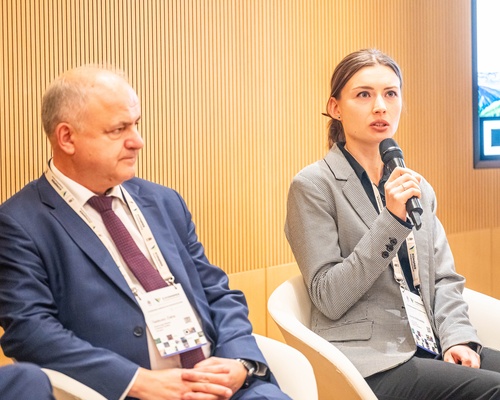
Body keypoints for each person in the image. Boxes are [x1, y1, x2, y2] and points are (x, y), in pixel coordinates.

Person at [0, 65, 291, 400]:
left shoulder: (163, 201)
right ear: (67, 138)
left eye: (136, 124)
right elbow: (31, 333)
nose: (138, 141)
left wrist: (238, 361)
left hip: (221, 388)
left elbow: (217, 292)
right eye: (118, 129)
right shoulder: (20, 223)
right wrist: (137, 380)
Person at [284, 48, 500, 400]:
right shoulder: (312, 186)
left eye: (390, 93)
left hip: (429, 343)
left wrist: (457, 338)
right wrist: (391, 221)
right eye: (364, 95)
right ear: (335, 108)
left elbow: (444, 279)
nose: (380, 106)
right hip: (368, 362)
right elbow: (328, 296)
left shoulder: (417, 186)